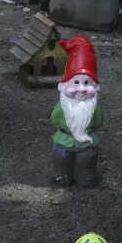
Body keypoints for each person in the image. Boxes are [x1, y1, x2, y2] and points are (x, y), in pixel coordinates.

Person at [51, 36, 103, 188]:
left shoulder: (95, 110)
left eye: (87, 83)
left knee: (87, 160)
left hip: (87, 143)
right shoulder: (60, 108)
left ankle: (85, 175)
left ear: (95, 87)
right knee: (62, 159)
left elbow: (98, 122)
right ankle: (62, 175)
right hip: (64, 141)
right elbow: (54, 120)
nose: (81, 89)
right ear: (63, 86)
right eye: (76, 83)